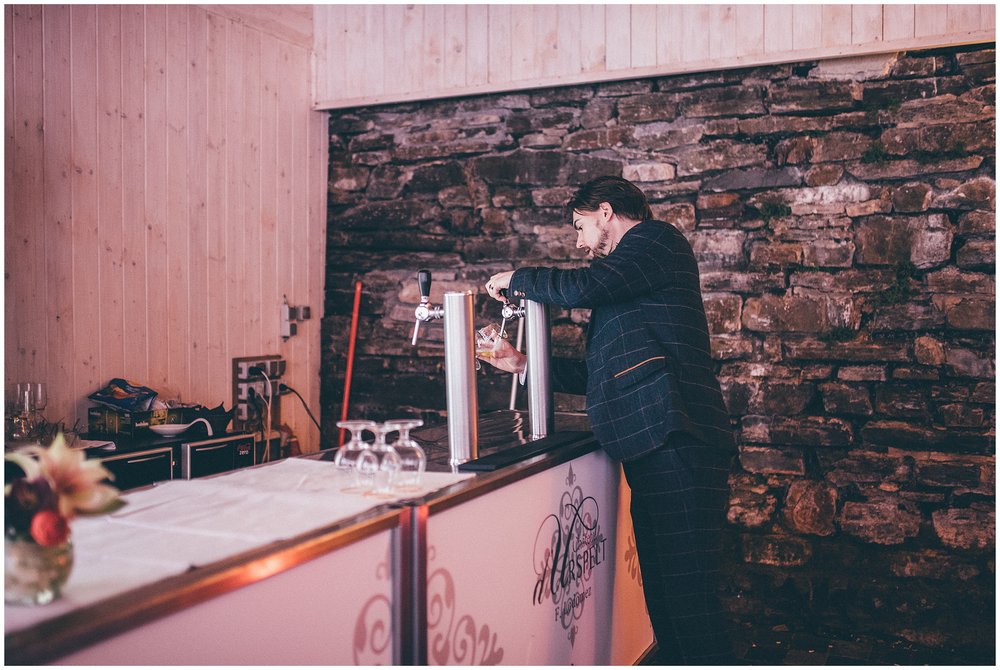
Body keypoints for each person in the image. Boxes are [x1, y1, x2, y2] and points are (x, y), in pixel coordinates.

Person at [482, 175, 737, 665]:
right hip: (655, 445)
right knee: (666, 597)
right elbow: (601, 371)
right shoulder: (630, 279)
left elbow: (584, 286)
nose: (580, 242)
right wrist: (523, 363)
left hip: (678, 440)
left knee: (691, 601)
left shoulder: (656, 241)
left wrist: (518, 278)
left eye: (580, 227)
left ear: (604, 211)